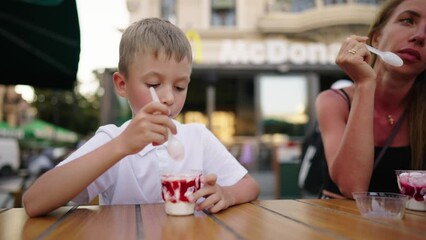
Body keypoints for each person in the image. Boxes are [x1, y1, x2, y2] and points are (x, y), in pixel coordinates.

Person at [23, 18, 260, 217]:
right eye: (154, 84)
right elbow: (34, 202)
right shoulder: (112, 140)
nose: (168, 97)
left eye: (180, 87)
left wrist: (227, 194)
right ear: (122, 84)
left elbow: (248, 185)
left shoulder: (196, 137)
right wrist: (122, 146)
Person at [315, 0, 426, 199]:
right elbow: (352, 186)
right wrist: (365, 83)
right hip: (339, 227)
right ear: (376, 39)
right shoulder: (334, 102)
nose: (420, 36)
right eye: (408, 21)